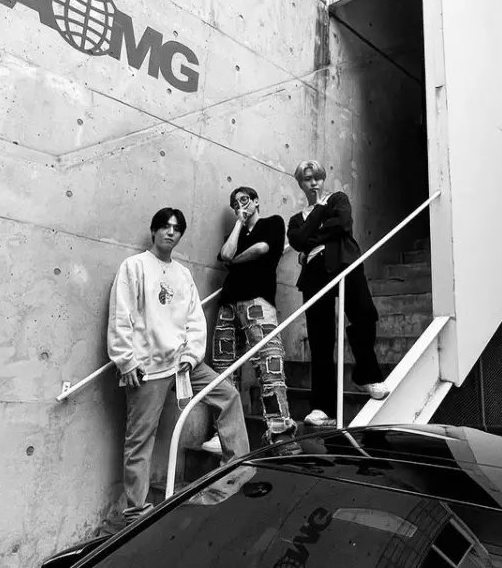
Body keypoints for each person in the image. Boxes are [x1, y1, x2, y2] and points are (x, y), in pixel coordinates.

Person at [107, 207, 249, 524]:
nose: (171, 232)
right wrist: (126, 361)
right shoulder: (134, 266)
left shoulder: (183, 274)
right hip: (146, 368)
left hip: (183, 364)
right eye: (165, 226)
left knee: (228, 395)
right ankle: (136, 512)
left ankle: (236, 471)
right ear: (154, 230)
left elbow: (196, 320)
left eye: (177, 228)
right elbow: (121, 316)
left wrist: (191, 355)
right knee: (139, 438)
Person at [287, 161, 389, 427]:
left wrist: (311, 237)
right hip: (314, 275)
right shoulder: (296, 219)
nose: (314, 183)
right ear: (300, 184)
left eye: (318, 178)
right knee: (320, 339)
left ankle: (366, 375)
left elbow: (342, 224)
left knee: (365, 315)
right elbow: (297, 240)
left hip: (345, 264)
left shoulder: (338, 199)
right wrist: (320, 217)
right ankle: (323, 406)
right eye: (307, 179)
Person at [202, 186, 298, 454]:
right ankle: (223, 435)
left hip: (258, 301)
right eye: (235, 204)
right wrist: (238, 224)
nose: (239, 206)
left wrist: (235, 261)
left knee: (269, 363)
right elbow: (226, 255)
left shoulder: (273, 223)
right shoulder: (235, 234)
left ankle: (280, 433)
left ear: (256, 201)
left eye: (244, 200)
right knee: (223, 368)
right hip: (228, 302)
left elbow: (262, 248)